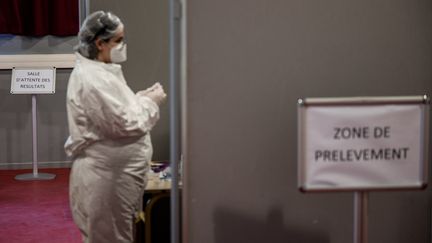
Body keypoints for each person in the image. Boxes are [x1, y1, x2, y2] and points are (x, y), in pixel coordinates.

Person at [64, 11, 166, 243]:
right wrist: (150, 102)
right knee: (109, 238)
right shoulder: (93, 80)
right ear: (100, 43)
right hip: (106, 177)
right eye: (118, 40)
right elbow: (125, 124)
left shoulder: (102, 73)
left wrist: (139, 98)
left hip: (113, 176)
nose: (123, 45)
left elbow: (118, 112)